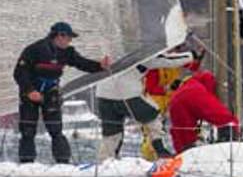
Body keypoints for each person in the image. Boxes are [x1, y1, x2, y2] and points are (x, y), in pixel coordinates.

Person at [13, 21, 111, 163]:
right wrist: (30, 91)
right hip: (30, 92)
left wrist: (99, 66)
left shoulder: (67, 52)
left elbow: (82, 63)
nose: (70, 41)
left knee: (56, 130)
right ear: (59, 36)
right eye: (69, 37)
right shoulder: (34, 49)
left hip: (50, 92)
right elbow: (19, 73)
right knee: (28, 131)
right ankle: (26, 163)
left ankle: (63, 163)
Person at [94, 47, 197, 161]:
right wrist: (191, 55)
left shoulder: (114, 51)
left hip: (103, 94)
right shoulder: (144, 54)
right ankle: (161, 151)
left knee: (111, 130)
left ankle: (105, 161)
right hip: (128, 94)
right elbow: (167, 60)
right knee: (153, 115)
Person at [168, 70, 240, 154]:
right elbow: (218, 113)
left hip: (175, 101)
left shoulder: (187, 85)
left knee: (183, 136)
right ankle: (230, 142)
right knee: (226, 120)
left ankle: (185, 155)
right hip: (194, 93)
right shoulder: (200, 85)